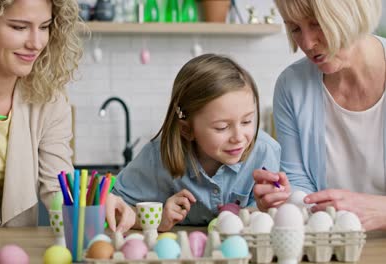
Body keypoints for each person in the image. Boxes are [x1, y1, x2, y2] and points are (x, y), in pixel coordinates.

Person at [0, 0, 135, 235]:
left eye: (44, 27)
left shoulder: (49, 98)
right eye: (19, 27)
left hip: (16, 253)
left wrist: (95, 204)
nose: (36, 43)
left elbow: (58, 188)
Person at [253, 0, 386, 231]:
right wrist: (285, 198)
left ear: (352, 13)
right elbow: (300, 186)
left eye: (317, 24)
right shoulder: (291, 86)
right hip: (330, 247)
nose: (307, 43)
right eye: (295, 28)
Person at [111, 54, 281, 231]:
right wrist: (156, 219)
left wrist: (272, 207)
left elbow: (278, 217)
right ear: (187, 129)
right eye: (222, 127)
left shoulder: (265, 152)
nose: (238, 137)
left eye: (247, 121)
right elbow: (112, 208)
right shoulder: (156, 157)